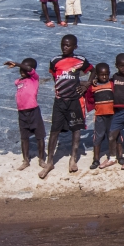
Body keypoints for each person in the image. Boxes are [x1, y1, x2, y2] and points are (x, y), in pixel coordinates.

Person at [40, 34, 91, 177]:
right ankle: (50, 162)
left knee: (76, 129)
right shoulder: (54, 60)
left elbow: (93, 70)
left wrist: (86, 84)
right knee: (54, 130)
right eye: (63, 44)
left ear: (75, 47)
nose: (65, 47)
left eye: (68, 45)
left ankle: (73, 159)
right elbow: (54, 75)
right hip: (60, 101)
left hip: (74, 101)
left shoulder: (80, 60)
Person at [6, 58, 46, 170]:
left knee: (40, 136)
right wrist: (20, 66)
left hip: (33, 111)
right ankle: (26, 160)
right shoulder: (18, 81)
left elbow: (28, 69)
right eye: (20, 69)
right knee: (24, 137)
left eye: (25, 68)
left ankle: (41, 159)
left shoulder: (34, 79)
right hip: (22, 113)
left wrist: (18, 64)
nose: (22, 70)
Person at [87, 63, 118, 170]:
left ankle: (119, 156)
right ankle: (96, 160)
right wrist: (91, 81)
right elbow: (89, 97)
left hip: (112, 115)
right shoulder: (94, 87)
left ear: (109, 74)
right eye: (101, 75)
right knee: (98, 137)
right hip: (100, 116)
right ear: (97, 75)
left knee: (115, 136)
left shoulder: (112, 84)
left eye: (106, 74)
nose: (104, 77)